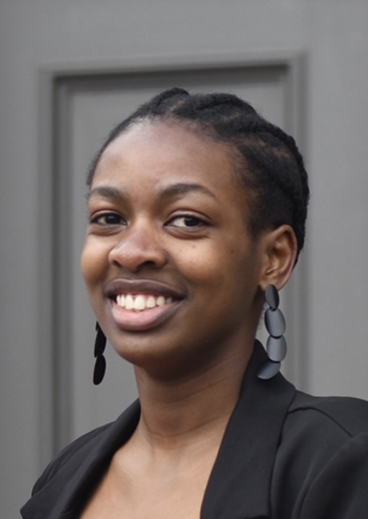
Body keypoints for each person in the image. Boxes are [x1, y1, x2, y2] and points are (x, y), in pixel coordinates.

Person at [22, 88, 368, 518]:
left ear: (274, 258)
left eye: (186, 220)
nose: (130, 251)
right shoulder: (63, 482)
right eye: (109, 218)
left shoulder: (341, 457)